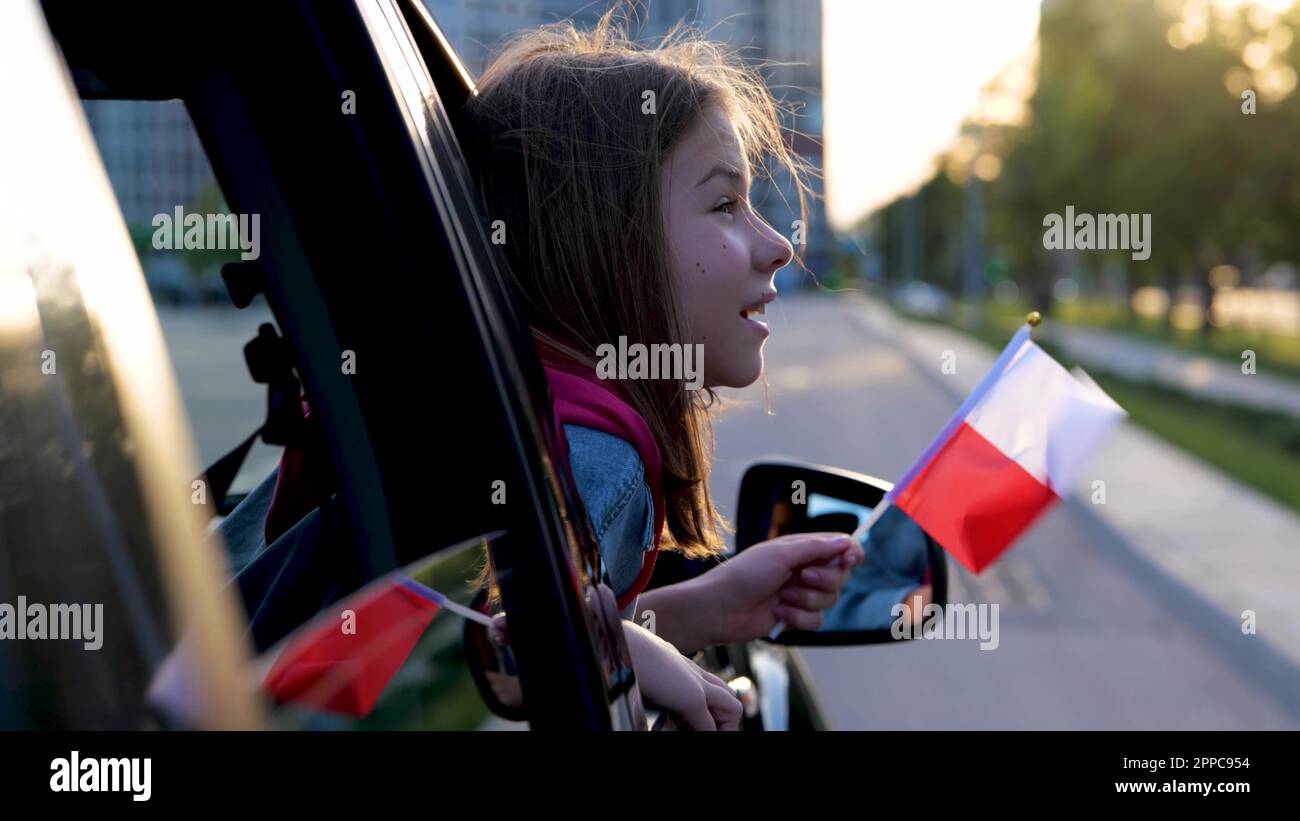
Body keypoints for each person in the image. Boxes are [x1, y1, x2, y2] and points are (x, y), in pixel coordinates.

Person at [465, 9, 864, 730]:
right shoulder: (592, 460)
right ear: (608, 243)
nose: (777, 245)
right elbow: (486, 660)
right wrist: (602, 660)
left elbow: (539, 616)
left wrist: (699, 609)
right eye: (725, 204)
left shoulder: (510, 413)